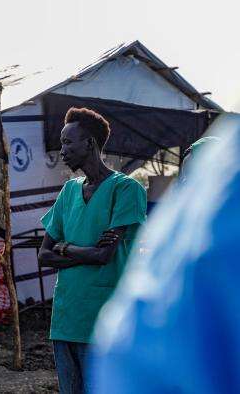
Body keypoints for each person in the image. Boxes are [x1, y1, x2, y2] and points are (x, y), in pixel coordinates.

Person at [90, 117, 239, 394]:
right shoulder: (178, 225)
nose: (189, 182)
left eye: (197, 173)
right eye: (185, 174)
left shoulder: (219, 225)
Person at [37, 108, 147, 394]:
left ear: (90, 144)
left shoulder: (125, 189)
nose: (62, 151)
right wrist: (83, 251)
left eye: (67, 143)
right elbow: (44, 255)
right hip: (66, 317)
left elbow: (104, 256)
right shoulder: (69, 191)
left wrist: (65, 248)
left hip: (103, 317)